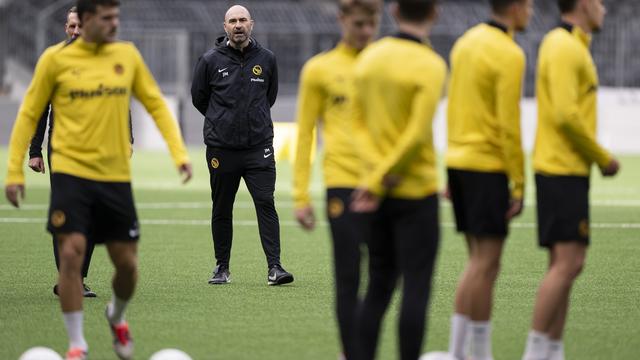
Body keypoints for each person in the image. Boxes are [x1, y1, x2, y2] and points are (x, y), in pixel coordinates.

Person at [4, 0, 193, 359]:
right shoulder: (54, 61)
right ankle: (77, 344)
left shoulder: (127, 56)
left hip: (114, 177)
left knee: (126, 266)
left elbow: (154, 104)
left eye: (116, 17)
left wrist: (179, 154)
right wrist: (15, 170)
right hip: (71, 173)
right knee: (71, 255)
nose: (114, 24)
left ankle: (116, 315)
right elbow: (29, 114)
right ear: (87, 20)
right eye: (107, 18)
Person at [424, 1, 533, 360]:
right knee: (485, 263)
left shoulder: (465, 42)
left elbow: (455, 107)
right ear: (515, 7)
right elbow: (508, 123)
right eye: (529, 5)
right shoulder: (509, 53)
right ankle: (468, 354)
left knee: (480, 262)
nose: (531, 11)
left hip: (459, 160)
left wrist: (450, 166)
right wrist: (518, 181)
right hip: (487, 165)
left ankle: (467, 352)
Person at [522, 1, 619, 359]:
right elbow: (565, 114)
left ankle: (552, 350)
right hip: (561, 169)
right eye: (599, 2)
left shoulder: (572, 45)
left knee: (566, 264)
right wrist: (601, 156)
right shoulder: (563, 46)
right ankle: (535, 352)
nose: (605, 9)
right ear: (582, 5)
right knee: (568, 264)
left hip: (566, 169)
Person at [350, 1, 446, 359]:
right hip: (416, 190)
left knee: (377, 287)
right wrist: (384, 176)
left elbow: (354, 124)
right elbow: (417, 133)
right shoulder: (432, 64)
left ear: (393, 12)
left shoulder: (370, 58)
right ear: (434, 12)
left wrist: (374, 176)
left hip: (375, 194)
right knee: (416, 288)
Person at [292, 0, 382, 358]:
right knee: (348, 276)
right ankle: (352, 353)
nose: (365, 32)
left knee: (384, 276)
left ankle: (366, 345)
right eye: (358, 24)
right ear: (343, 20)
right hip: (341, 184)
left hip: (384, 185)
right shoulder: (320, 69)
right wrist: (301, 195)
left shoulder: (386, 64)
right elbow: (304, 134)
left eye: (371, 24)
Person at [191, 4, 293, 286]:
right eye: (233, 21)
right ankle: (221, 268)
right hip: (221, 148)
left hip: (258, 146)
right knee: (222, 206)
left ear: (252, 24)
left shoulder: (267, 59)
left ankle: (275, 267)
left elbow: (269, 96)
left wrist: (253, 120)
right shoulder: (210, 60)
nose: (238, 25)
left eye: (243, 20)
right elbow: (199, 98)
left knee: (265, 202)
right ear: (225, 27)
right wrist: (221, 120)